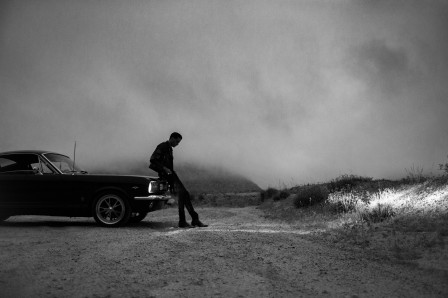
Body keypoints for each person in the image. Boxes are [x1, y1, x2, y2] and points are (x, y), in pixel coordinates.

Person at [149, 132, 208, 228]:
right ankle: (190, 220)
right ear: (172, 138)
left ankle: (189, 220)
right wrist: (164, 168)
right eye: (177, 141)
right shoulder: (162, 146)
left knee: (183, 195)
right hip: (167, 175)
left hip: (171, 175)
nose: (177, 144)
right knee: (184, 194)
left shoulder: (169, 148)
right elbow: (152, 159)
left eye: (178, 142)